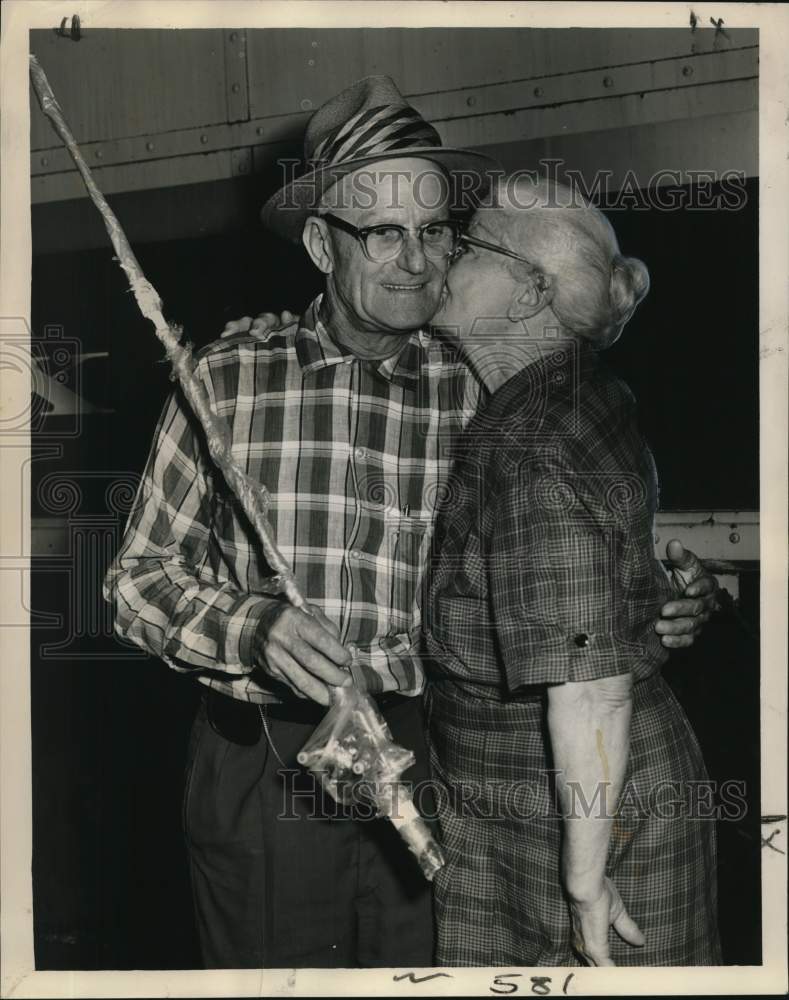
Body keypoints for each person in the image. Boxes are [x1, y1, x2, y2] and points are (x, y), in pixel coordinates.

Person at [104, 76, 717, 969]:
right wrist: (252, 627)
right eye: (382, 232)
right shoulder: (225, 377)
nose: (417, 260)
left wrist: (662, 588)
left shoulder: (481, 378)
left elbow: (565, 546)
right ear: (320, 242)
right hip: (265, 763)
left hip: (435, 763)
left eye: (435, 231)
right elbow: (136, 580)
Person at [422, 174, 722, 966]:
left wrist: (586, 884)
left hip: (582, 811)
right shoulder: (563, 394)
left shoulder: (532, 442)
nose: (445, 250)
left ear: (527, 295)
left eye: (469, 241)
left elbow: (588, 692)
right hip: (550, 794)